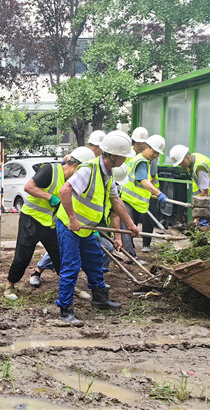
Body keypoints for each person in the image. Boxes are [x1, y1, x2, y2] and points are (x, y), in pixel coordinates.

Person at [55, 131, 140, 326]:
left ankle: (100, 298)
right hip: (71, 227)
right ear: (113, 155)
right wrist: (72, 218)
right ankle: (65, 310)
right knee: (72, 266)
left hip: (87, 228)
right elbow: (64, 190)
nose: (126, 159)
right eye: (124, 156)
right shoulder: (89, 170)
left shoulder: (108, 174)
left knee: (94, 261)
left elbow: (115, 200)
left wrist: (131, 224)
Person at [4, 147, 96, 300]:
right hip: (31, 220)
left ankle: (71, 286)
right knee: (23, 255)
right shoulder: (50, 170)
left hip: (51, 224)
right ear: (76, 166)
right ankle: (9, 286)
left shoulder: (73, 182)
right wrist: (49, 197)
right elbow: (29, 187)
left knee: (61, 256)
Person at [119, 134, 168, 258]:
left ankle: (129, 254)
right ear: (147, 147)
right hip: (128, 199)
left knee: (129, 227)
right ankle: (130, 256)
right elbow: (143, 180)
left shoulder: (140, 160)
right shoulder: (141, 162)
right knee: (128, 228)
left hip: (130, 199)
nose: (155, 155)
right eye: (154, 152)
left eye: (158, 153)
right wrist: (159, 193)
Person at [169, 145, 210, 216]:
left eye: (181, 162)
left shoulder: (200, 167)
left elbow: (204, 190)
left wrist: (198, 213)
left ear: (187, 156)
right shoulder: (194, 160)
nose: (180, 165)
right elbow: (197, 187)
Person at [130, 127, 161, 253]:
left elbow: (151, 176)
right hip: (133, 194)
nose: (139, 145)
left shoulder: (151, 156)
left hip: (149, 193)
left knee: (148, 219)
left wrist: (151, 190)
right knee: (132, 219)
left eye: (142, 143)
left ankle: (146, 244)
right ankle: (130, 245)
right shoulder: (130, 154)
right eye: (137, 143)